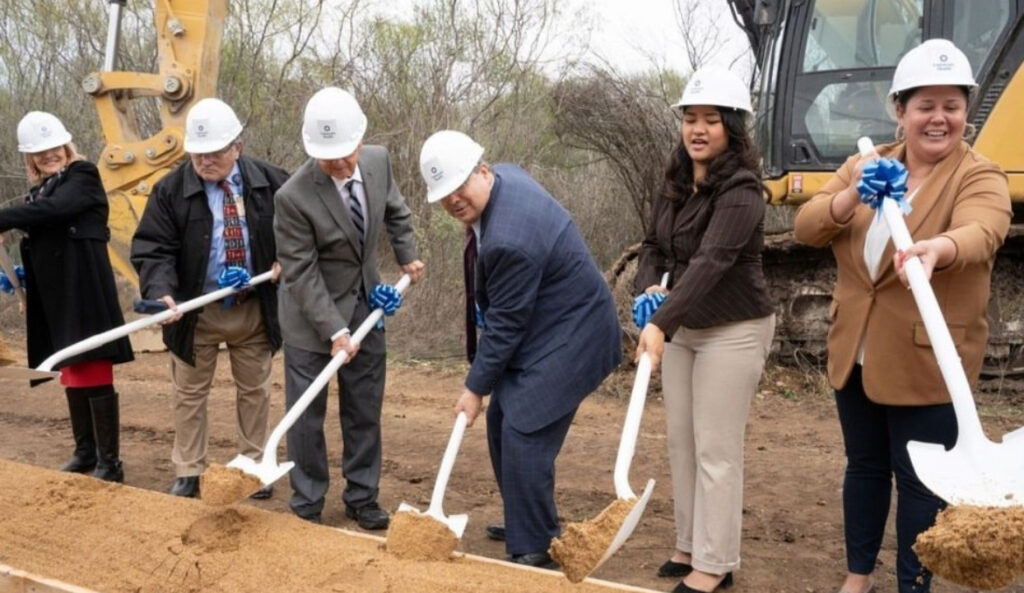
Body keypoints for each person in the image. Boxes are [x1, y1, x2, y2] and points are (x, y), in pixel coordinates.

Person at [793, 39, 1011, 593]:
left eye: (952, 106)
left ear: (967, 110)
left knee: (920, 484)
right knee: (864, 467)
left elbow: (983, 231)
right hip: (858, 350)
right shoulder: (867, 165)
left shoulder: (978, 175)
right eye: (925, 105)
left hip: (927, 356)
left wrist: (938, 250)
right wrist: (848, 201)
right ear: (900, 110)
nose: (939, 118)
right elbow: (808, 226)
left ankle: (913, 585)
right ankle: (857, 577)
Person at [419, 130, 622, 568]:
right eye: (444, 193)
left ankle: (536, 546)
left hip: (576, 333)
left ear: (484, 171)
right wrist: (485, 390)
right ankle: (525, 518)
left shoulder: (511, 236)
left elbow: (506, 325)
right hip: (545, 323)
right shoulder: (501, 186)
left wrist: (474, 387)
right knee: (501, 419)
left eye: (460, 186)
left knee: (525, 428)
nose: (454, 199)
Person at [634, 68, 776, 593]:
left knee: (716, 449)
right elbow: (652, 245)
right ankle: (690, 545)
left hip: (734, 329)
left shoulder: (743, 190)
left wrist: (659, 322)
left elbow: (713, 262)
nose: (698, 129)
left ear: (733, 128)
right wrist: (649, 293)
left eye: (711, 120)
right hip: (683, 326)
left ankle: (715, 566)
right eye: (690, 119)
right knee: (681, 442)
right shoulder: (675, 178)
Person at [273, 87, 424, 529]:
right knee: (306, 415)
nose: (341, 164)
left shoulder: (377, 161)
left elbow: (397, 212)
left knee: (364, 408)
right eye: (330, 158)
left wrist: (405, 253)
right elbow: (300, 273)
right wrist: (334, 329)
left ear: (361, 139)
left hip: (366, 305)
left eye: (346, 154)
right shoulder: (293, 196)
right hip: (310, 316)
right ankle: (308, 501)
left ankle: (362, 496)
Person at [131, 98, 289, 499]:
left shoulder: (272, 183)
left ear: (238, 146)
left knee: (255, 389)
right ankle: (190, 468)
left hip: (254, 307)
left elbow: (301, 228)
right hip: (194, 309)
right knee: (189, 391)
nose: (205, 162)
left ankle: (252, 466)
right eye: (198, 154)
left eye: (215, 152)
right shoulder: (170, 190)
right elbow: (153, 248)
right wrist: (161, 292)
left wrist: (287, 258)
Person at [0, 111, 134, 481]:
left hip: (85, 288)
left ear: (65, 144)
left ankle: (110, 462)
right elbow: (41, 221)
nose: (49, 156)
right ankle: (85, 452)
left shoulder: (83, 175)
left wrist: (6, 218)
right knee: (72, 368)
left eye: (53, 148)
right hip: (58, 294)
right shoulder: (40, 189)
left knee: (93, 364)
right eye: (39, 153)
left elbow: (57, 211)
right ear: (31, 159)